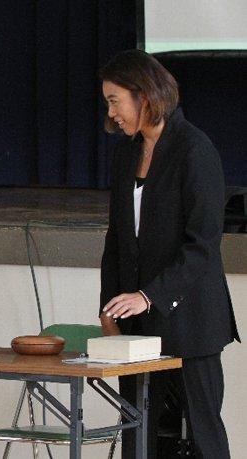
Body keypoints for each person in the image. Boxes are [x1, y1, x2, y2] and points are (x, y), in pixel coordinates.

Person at [98, 49, 239, 459]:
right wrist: (108, 308)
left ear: (144, 95)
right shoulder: (127, 152)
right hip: (138, 326)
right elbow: (117, 239)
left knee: (201, 434)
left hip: (191, 322)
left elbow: (203, 246)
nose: (111, 114)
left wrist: (148, 295)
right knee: (138, 435)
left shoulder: (195, 149)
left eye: (114, 101)